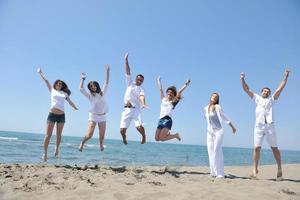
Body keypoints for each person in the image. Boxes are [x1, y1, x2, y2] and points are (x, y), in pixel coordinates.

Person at [240, 69, 290, 180]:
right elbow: (246, 89)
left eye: (267, 91)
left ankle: (279, 168)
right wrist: (242, 79)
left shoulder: (272, 100)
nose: (266, 92)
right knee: (256, 148)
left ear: (269, 93)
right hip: (258, 126)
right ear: (261, 92)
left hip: (270, 126)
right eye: (264, 91)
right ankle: (254, 170)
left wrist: (285, 77)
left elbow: (280, 88)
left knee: (274, 148)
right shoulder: (256, 98)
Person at [37, 67, 78, 161]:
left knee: (59, 135)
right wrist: (40, 73)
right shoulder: (52, 90)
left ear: (62, 86)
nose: (59, 85)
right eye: (58, 84)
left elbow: (70, 102)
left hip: (61, 116)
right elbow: (46, 80)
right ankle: (45, 153)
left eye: (60, 84)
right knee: (48, 135)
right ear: (55, 85)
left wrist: (74, 107)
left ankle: (56, 148)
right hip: (52, 114)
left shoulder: (65, 93)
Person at [204, 93, 236, 178]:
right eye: (213, 96)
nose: (214, 97)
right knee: (210, 151)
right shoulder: (205, 108)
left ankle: (220, 173)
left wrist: (232, 127)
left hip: (218, 131)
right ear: (210, 97)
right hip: (209, 132)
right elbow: (206, 118)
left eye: (216, 97)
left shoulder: (218, 107)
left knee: (216, 151)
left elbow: (225, 117)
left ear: (217, 99)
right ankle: (213, 172)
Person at [78, 65, 110, 152]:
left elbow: (106, 82)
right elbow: (81, 89)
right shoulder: (90, 96)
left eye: (94, 85)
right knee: (89, 135)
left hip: (102, 116)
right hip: (93, 116)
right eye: (91, 86)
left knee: (102, 135)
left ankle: (101, 145)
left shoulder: (102, 93)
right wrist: (83, 79)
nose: (93, 87)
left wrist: (107, 71)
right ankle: (82, 143)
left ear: (97, 86)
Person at [120, 53, 147, 145]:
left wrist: (143, 103)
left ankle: (143, 136)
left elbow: (141, 96)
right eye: (138, 79)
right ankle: (124, 138)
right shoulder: (130, 83)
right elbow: (128, 72)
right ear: (136, 78)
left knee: (138, 127)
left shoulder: (141, 89)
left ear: (142, 82)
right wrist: (126, 61)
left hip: (136, 110)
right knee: (122, 130)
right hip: (126, 110)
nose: (139, 81)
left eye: (141, 80)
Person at [155, 76, 191, 142]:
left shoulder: (173, 102)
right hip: (160, 120)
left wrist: (186, 84)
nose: (169, 93)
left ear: (173, 94)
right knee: (157, 139)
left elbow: (179, 92)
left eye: (171, 92)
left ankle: (175, 135)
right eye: (168, 91)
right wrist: (158, 81)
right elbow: (160, 89)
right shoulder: (163, 99)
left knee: (162, 138)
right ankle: (169, 135)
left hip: (167, 120)